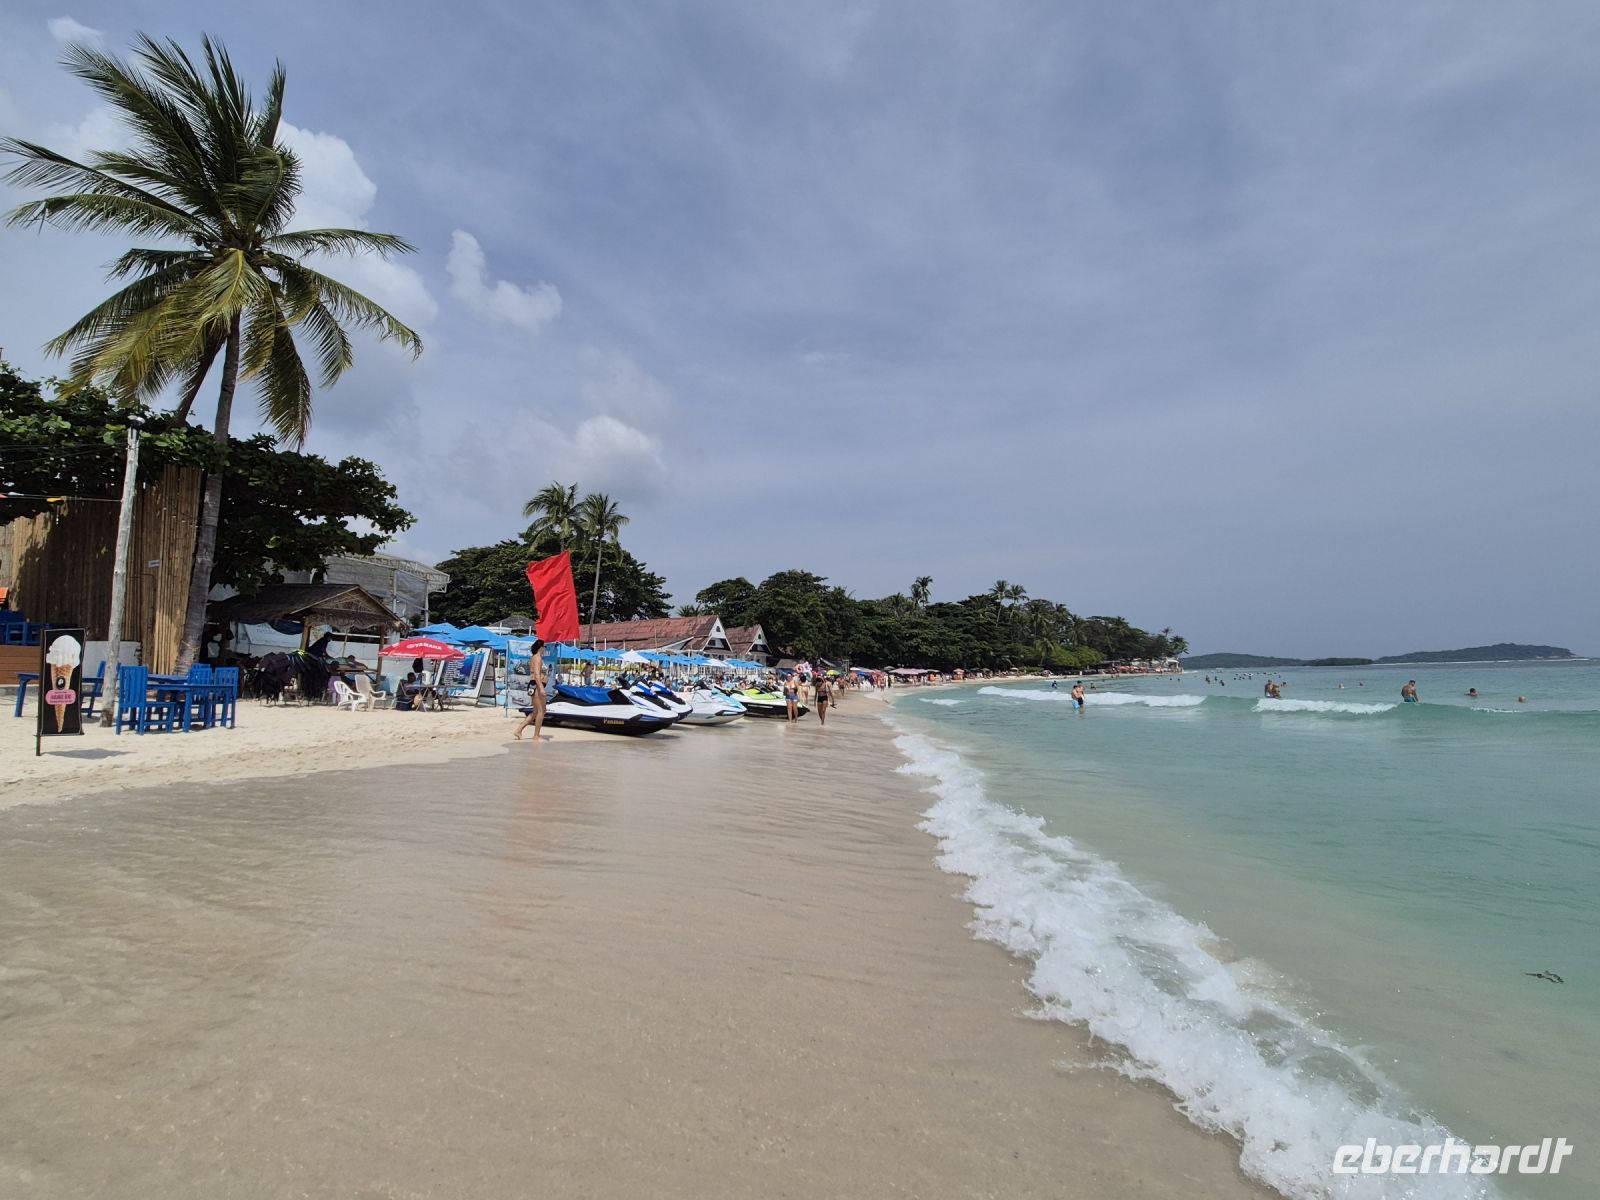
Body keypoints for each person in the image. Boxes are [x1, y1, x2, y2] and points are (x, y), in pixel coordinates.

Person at [513, 640, 549, 741]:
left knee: (537, 711)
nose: (545, 649)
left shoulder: (536, 657)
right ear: (541, 647)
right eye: (544, 647)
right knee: (541, 711)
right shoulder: (537, 658)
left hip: (536, 685)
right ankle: (536, 735)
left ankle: (519, 730)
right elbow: (537, 675)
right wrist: (541, 688)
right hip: (537, 686)